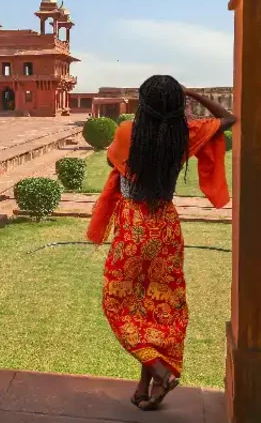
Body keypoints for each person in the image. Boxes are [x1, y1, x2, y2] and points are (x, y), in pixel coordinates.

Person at [87, 75, 235, 411]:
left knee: (118, 303)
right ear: (178, 105)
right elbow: (230, 118)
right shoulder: (185, 135)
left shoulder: (126, 133)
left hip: (134, 226)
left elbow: (114, 162)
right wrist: (194, 94)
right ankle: (145, 386)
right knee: (157, 305)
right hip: (166, 227)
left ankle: (157, 371)